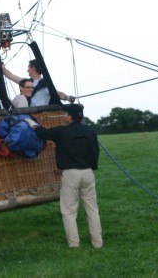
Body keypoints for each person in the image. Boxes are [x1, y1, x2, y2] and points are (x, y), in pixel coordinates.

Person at [25, 104, 103, 249]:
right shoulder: (91, 131)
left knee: (69, 211)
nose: (64, 116)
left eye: (65, 114)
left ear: (69, 117)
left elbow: (42, 132)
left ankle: (74, 244)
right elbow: (95, 151)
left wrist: (31, 123)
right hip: (88, 172)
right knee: (92, 209)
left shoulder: (62, 132)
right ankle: (97, 243)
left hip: (70, 173)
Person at [2, 59, 73, 107]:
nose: (27, 70)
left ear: (33, 68)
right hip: (26, 111)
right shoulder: (27, 82)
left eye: (28, 67)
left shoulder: (46, 84)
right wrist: (2, 67)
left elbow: (58, 93)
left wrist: (67, 97)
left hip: (39, 114)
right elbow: (10, 76)